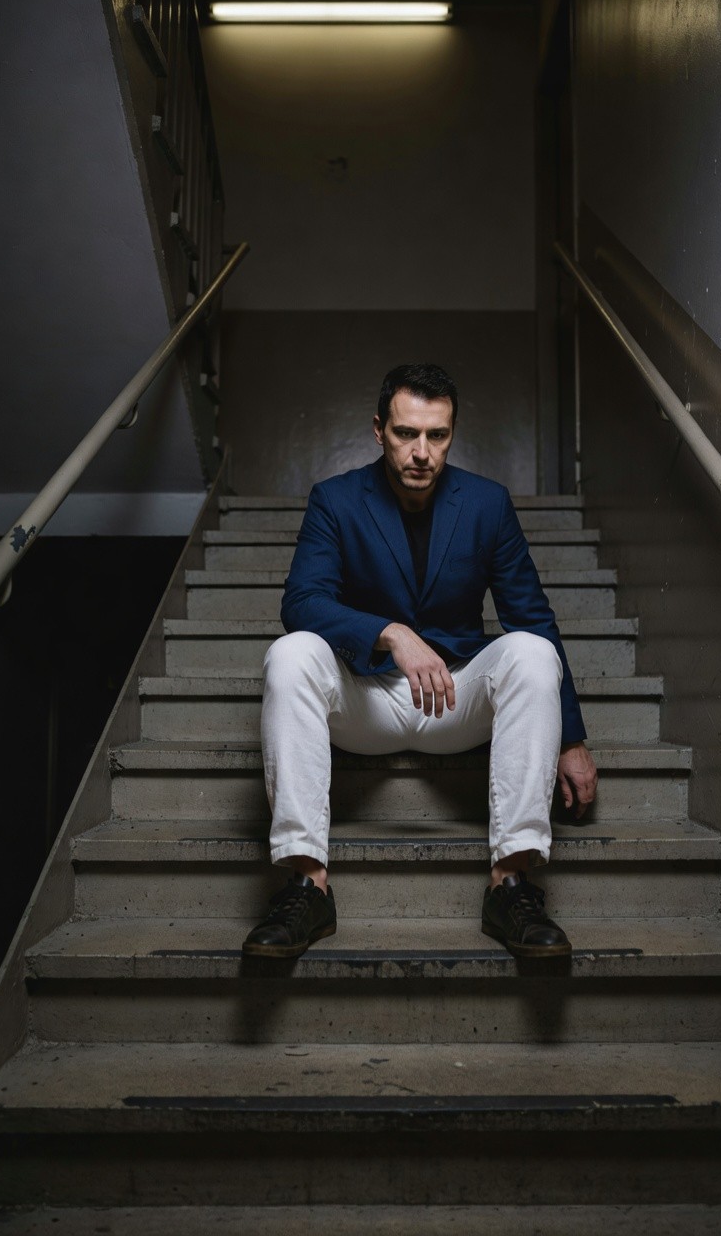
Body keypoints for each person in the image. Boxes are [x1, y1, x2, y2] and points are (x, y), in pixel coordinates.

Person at [242, 363, 598, 960]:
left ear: (452, 433)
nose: (422, 453)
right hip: (366, 701)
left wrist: (571, 739)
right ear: (379, 430)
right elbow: (301, 602)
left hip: (456, 702)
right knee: (291, 653)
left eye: (437, 435)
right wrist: (389, 633)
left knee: (532, 652)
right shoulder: (335, 500)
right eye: (408, 434)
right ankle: (307, 885)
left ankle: (511, 885)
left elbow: (532, 618)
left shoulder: (487, 504)